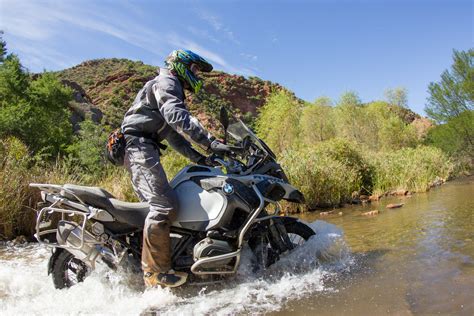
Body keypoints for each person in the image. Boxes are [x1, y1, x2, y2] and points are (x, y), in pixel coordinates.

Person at [121, 49, 226, 288]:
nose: (196, 75)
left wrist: (201, 158)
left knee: (168, 203)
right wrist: (211, 142)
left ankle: (170, 257)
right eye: (195, 69)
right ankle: (154, 273)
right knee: (164, 205)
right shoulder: (167, 81)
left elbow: (175, 137)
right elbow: (176, 115)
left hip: (145, 146)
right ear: (181, 65)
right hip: (138, 145)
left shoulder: (168, 85)